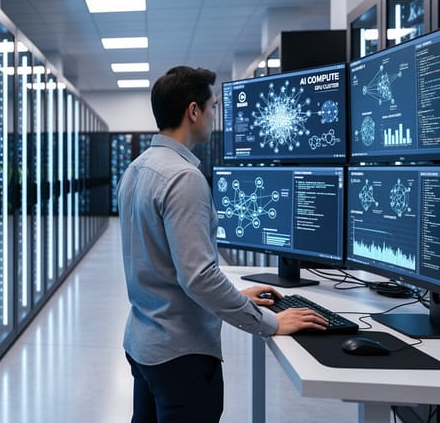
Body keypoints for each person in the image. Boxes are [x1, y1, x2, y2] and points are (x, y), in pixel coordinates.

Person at [117, 66, 329, 423]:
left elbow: (163, 266)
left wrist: (235, 297)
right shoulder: (184, 178)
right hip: (180, 355)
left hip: (143, 345)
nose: (215, 116)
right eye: (212, 106)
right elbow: (198, 278)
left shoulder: (136, 169)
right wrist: (269, 322)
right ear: (193, 111)